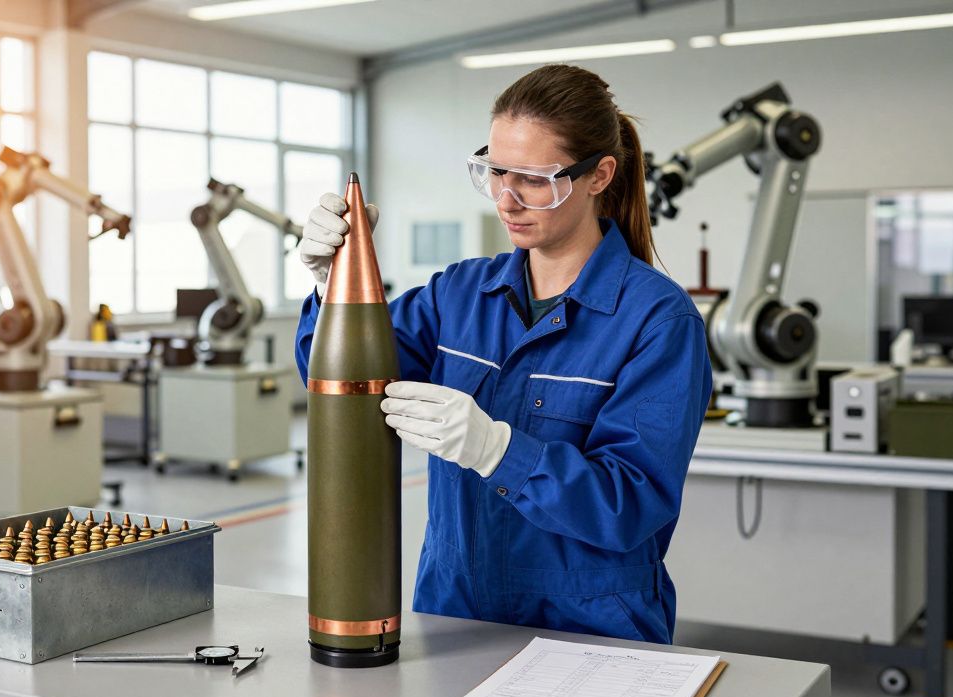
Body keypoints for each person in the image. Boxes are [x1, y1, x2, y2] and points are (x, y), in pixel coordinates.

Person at [295, 65, 712, 644]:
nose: (507, 199)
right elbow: (344, 386)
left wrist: (498, 450)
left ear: (599, 176)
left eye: (534, 180)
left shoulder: (656, 322)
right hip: (454, 611)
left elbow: (631, 504)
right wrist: (332, 289)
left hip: (590, 626)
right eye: (494, 171)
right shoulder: (458, 295)